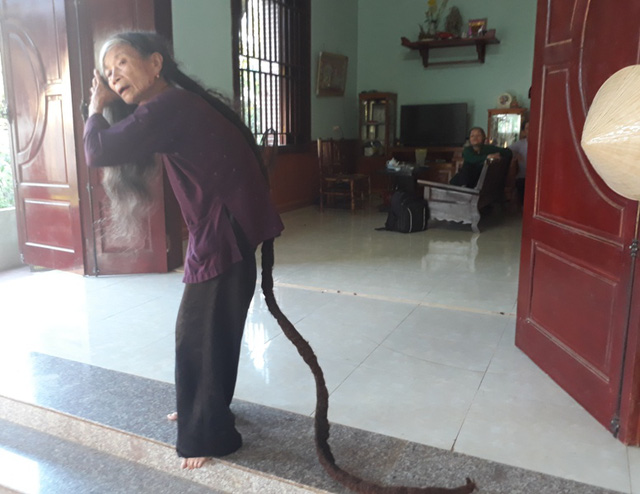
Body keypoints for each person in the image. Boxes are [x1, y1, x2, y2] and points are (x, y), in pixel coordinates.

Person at [83, 31, 284, 470]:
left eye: (121, 62)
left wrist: (95, 108)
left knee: (199, 335)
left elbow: (99, 149)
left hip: (223, 230)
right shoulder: (173, 104)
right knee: (213, 332)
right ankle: (204, 410)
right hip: (226, 226)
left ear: (156, 63)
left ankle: (205, 433)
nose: (113, 76)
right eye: (107, 72)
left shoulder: (167, 106)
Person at [509, 121, 529, 206]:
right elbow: (507, 151)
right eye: (528, 128)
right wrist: (516, 154)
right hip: (523, 177)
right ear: (524, 132)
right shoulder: (520, 144)